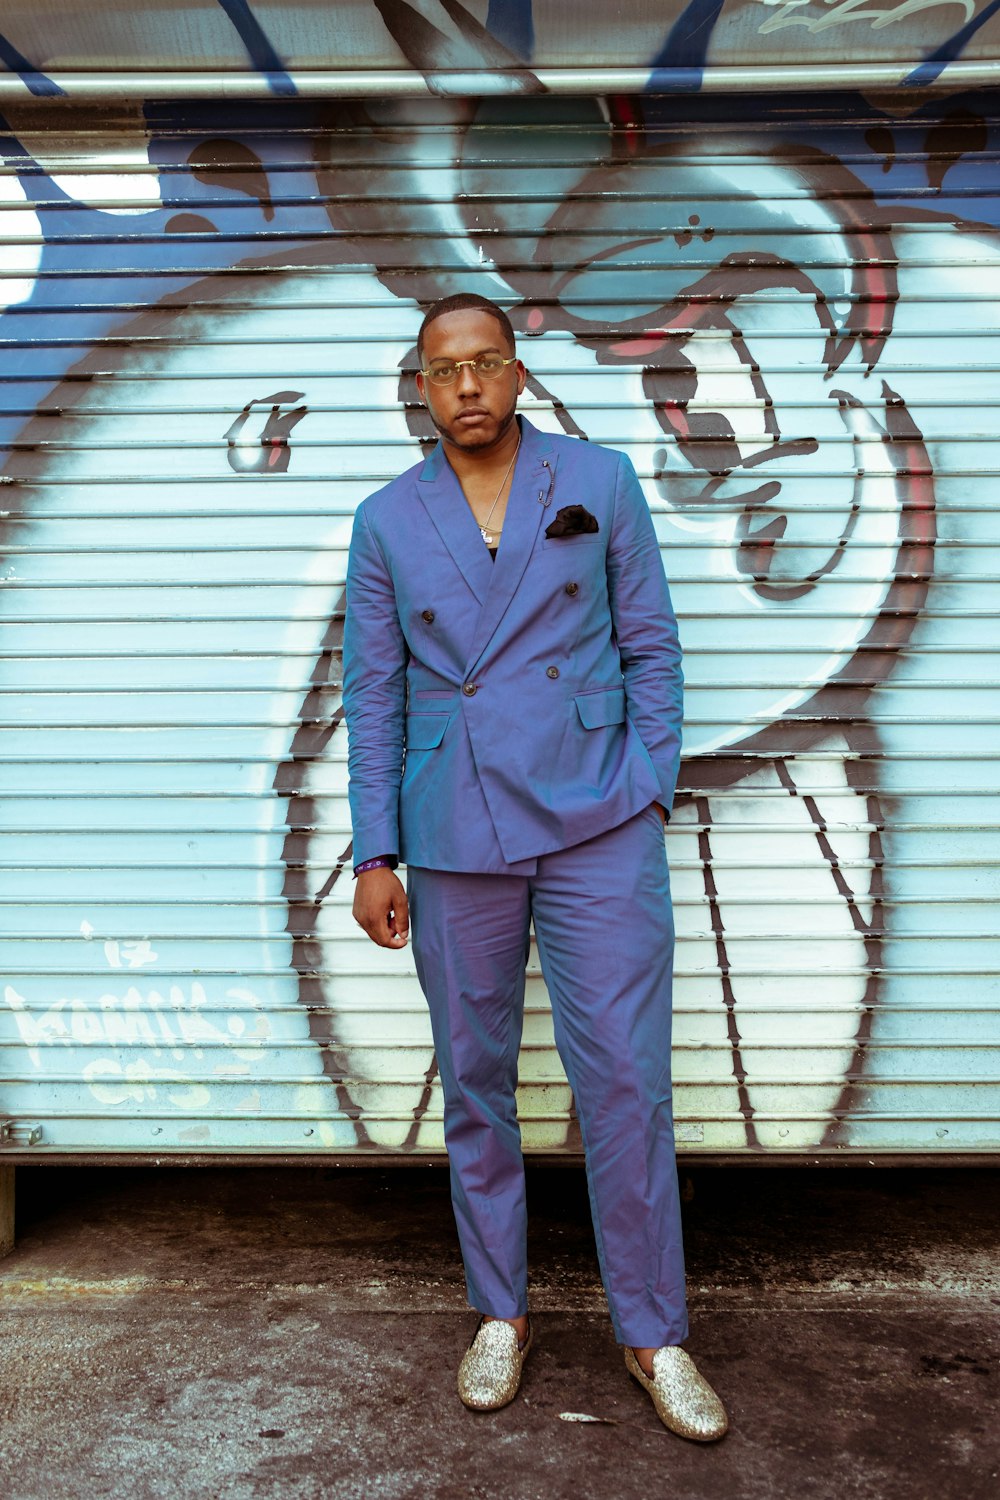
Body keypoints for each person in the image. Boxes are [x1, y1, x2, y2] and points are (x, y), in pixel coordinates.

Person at [342, 292, 728, 1441]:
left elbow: (650, 638)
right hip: (454, 828)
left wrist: (647, 778)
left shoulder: (596, 481)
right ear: (421, 387)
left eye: (486, 364)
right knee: (476, 1086)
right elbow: (374, 692)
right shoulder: (386, 519)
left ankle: (654, 1334)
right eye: (442, 370)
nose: (466, 386)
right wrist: (374, 850)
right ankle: (500, 1315)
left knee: (625, 1084)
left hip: (596, 817)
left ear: (518, 374)